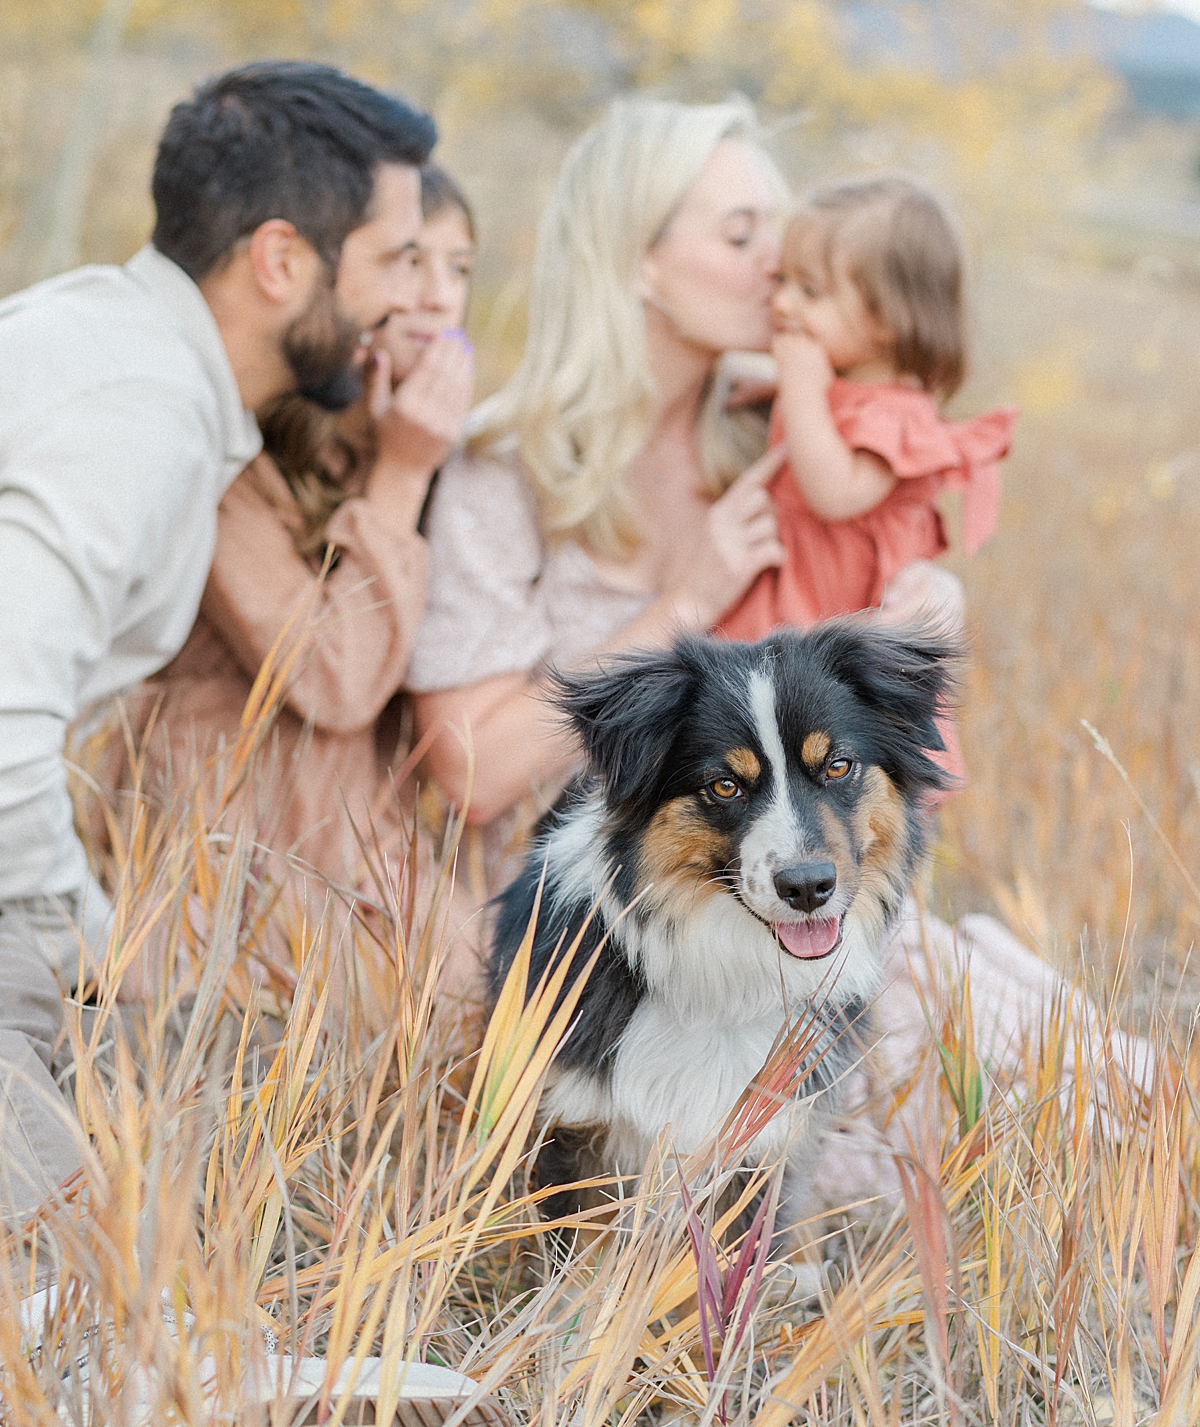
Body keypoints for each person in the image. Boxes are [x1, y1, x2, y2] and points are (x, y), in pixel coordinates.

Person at [0, 59, 437, 1225]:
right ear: (282, 260)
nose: (414, 300)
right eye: (396, 259)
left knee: (200, 1167)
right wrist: (94, 950)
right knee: (92, 1289)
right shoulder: (132, 418)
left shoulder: (121, 349)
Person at [406, 100, 960, 885]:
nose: (778, 262)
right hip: (598, 914)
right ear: (635, 258)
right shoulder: (503, 469)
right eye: (741, 235)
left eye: (777, 228)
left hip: (802, 897)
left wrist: (923, 613)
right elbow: (471, 776)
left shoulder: (781, 437)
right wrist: (685, 607)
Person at [112, 165, 479, 986]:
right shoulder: (236, 464)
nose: (437, 297)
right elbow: (332, 675)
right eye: (410, 262)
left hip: (364, 852)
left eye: (460, 269)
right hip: (228, 866)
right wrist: (404, 476)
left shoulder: (430, 443)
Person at [716, 176, 1016, 642]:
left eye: (809, 291)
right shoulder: (839, 388)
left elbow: (834, 493)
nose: (781, 301)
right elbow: (831, 415)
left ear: (888, 320)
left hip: (828, 611)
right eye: (782, 280)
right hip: (789, 588)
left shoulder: (900, 418)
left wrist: (800, 394)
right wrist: (778, 391)